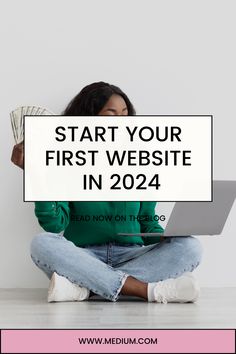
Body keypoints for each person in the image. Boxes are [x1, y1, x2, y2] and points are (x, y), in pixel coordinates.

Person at [11, 81, 203, 304]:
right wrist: (35, 176)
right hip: (84, 256)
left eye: (125, 114)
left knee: (190, 247)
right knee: (41, 243)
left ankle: (84, 289)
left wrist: (165, 235)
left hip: (132, 254)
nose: (121, 122)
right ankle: (145, 290)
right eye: (111, 114)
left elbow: (147, 222)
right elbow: (54, 225)